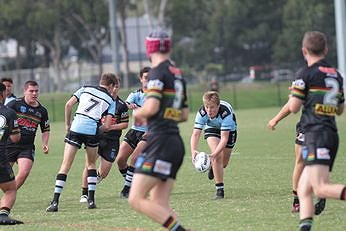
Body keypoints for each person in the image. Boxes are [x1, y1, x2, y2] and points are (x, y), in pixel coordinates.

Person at [128, 30, 189, 230]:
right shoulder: (177, 74)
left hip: (160, 142)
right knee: (159, 203)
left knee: (136, 198)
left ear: (149, 48)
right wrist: (163, 114)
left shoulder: (156, 72)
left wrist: (139, 114)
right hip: (174, 144)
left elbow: (151, 107)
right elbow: (184, 114)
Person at [287, 31, 345, 231]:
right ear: (326, 50)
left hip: (316, 134)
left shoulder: (305, 74)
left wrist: (295, 93)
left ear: (304, 51)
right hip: (330, 134)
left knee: (319, 187)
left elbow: (294, 107)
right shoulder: (336, 74)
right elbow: (339, 109)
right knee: (304, 189)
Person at [46, 73, 117, 212]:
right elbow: (107, 126)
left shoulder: (85, 88)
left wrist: (67, 125)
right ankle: (91, 200)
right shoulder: (111, 100)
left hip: (76, 127)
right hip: (92, 131)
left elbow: (68, 105)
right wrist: (96, 130)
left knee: (65, 166)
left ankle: (55, 202)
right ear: (110, 86)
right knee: (91, 164)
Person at [267, 71, 326, 214]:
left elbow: (293, 105)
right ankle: (297, 200)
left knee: (316, 161)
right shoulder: (307, 77)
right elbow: (291, 105)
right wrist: (276, 119)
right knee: (302, 161)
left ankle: (320, 193)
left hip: (321, 127)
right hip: (312, 128)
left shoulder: (321, 77)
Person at [79, 75, 129, 203]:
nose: (114, 89)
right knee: (90, 164)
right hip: (98, 137)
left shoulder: (122, 105)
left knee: (104, 172)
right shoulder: (101, 100)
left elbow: (125, 124)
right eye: (114, 86)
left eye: (117, 87)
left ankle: (93, 183)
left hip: (112, 141)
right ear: (110, 86)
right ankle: (85, 194)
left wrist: (111, 127)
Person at [190, 91, 237, 199]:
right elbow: (196, 134)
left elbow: (224, 138)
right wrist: (193, 151)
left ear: (218, 106)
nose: (209, 111)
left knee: (223, 163)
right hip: (211, 128)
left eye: (212, 107)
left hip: (229, 131)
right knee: (217, 157)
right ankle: (219, 190)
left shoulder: (225, 113)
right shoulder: (202, 113)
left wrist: (214, 154)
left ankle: (213, 166)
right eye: (207, 107)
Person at [6, 80, 50, 190]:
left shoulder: (42, 111)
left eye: (36, 91)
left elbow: (45, 129)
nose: (34, 94)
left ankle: (9, 195)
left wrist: (45, 143)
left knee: (24, 173)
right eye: (31, 91)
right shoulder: (14, 104)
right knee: (4, 175)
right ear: (25, 91)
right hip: (9, 145)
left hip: (27, 147)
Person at [115, 66, 150, 198]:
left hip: (150, 132)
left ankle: (127, 189)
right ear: (141, 79)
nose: (148, 80)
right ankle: (134, 183)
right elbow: (126, 103)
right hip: (134, 131)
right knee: (120, 159)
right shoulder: (136, 94)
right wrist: (130, 105)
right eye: (146, 78)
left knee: (134, 158)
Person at [0, 83, 23, 225]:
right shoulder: (9, 113)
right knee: (10, 188)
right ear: (2, 94)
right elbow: (15, 138)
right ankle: (3, 215)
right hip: (0, 157)